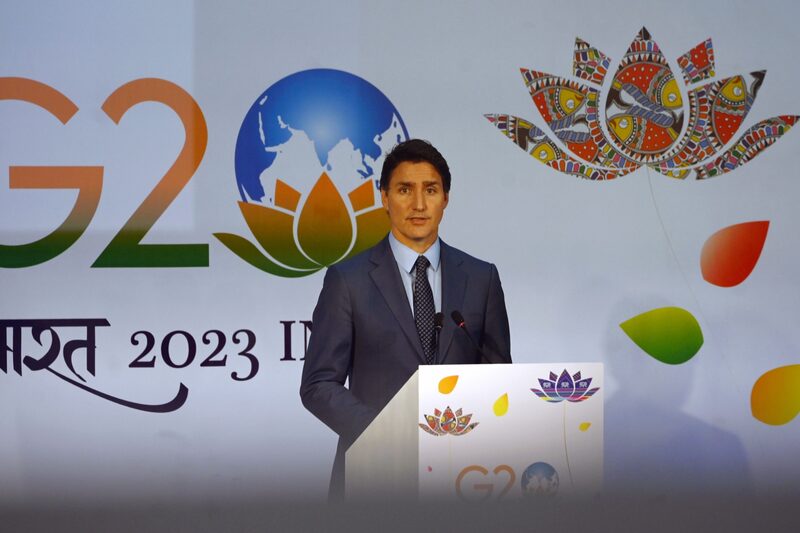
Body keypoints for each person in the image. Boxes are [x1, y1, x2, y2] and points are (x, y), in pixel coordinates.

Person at [300, 139, 512, 500]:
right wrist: (385, 433)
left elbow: (500, 376)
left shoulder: (481, 278)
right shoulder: (347, 280)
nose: (418, 204)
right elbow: (318, 384)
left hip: (465, 478)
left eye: (430, 190)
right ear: (383, 197)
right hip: (374, 475)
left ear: (446, 198)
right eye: (404, 190)